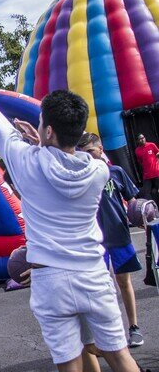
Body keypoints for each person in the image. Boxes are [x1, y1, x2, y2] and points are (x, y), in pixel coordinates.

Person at [0, 79, 139, 372]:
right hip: (93, 276)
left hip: (50, 281)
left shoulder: (25, 162)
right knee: (119, 356)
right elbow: (70, 159)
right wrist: (43, 143)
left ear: (47, 129)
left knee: (69, 362)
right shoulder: (99, 171)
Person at [78, 133, 144, 347]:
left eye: (90, 151)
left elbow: (133, 202)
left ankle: (134, 328)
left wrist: (142, 214)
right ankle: (108, 334)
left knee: (123, 283)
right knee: (100, 289)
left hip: (118, 236)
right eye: (82, 153)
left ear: (100, 149)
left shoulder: (116, 172)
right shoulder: (79, 176)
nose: (87, 157)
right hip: (93, 240)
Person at [135, 133, 159, 205]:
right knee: (146, 193)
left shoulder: (151, 145)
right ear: (137, 141)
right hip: (147, 176)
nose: (142, 139)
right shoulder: (137, 151)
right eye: (140, 139)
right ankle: (153, 208)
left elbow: (158, 152)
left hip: (156, 173)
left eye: (143, 137)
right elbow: (140, 161)